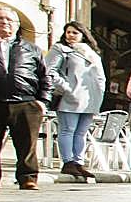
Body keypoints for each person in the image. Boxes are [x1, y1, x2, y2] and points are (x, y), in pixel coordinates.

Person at [0, 6, 51, 190]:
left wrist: (42, 102)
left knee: (27, 144)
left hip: (25, 102)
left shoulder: (31, 48)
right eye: (0, 18)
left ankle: (28, 178)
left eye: (9, 19)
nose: (4, 22)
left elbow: (45, 76)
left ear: (16, 25)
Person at [44, 21, 106, 178]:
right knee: (67, 129)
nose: (70, 35)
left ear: (83, 35)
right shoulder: (61, 49)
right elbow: (50, 71)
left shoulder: (92, 53)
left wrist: (100, 93)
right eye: (68, 32)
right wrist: (66, 88)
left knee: (81, 133)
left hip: (91, 99)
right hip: (70, 97)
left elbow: (100, 76)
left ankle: (78, 162)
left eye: (75, 32)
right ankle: (68, 162)